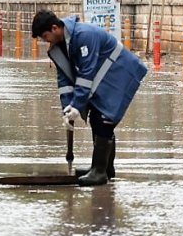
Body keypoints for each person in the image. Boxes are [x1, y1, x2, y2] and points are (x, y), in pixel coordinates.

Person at [31, 10, 148, 186]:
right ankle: (104, 167)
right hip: (103, 76)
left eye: (45, 36)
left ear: (54, 28)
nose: (45, 41)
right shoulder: (59, 47)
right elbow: (64, 78)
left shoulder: (84, 35)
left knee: (104, 118)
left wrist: (78, 105)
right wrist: (67, 107)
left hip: (120, 71)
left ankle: (99, 172)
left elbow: (87, 72)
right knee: (96, 117)